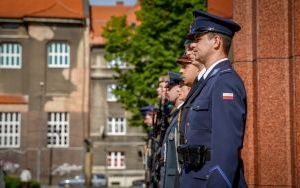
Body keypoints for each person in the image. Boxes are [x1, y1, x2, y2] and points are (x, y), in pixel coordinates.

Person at [177, 10, 247, 188]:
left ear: (216, 42)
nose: (192, 45)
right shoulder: (208, 81)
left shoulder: (224, 82)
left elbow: (226, 146)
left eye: (198, 38)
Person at [159, 72, 184, 188]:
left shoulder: (182, 115)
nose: (166, 91)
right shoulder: (175, 115)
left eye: (169, 87)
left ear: (179, 88)